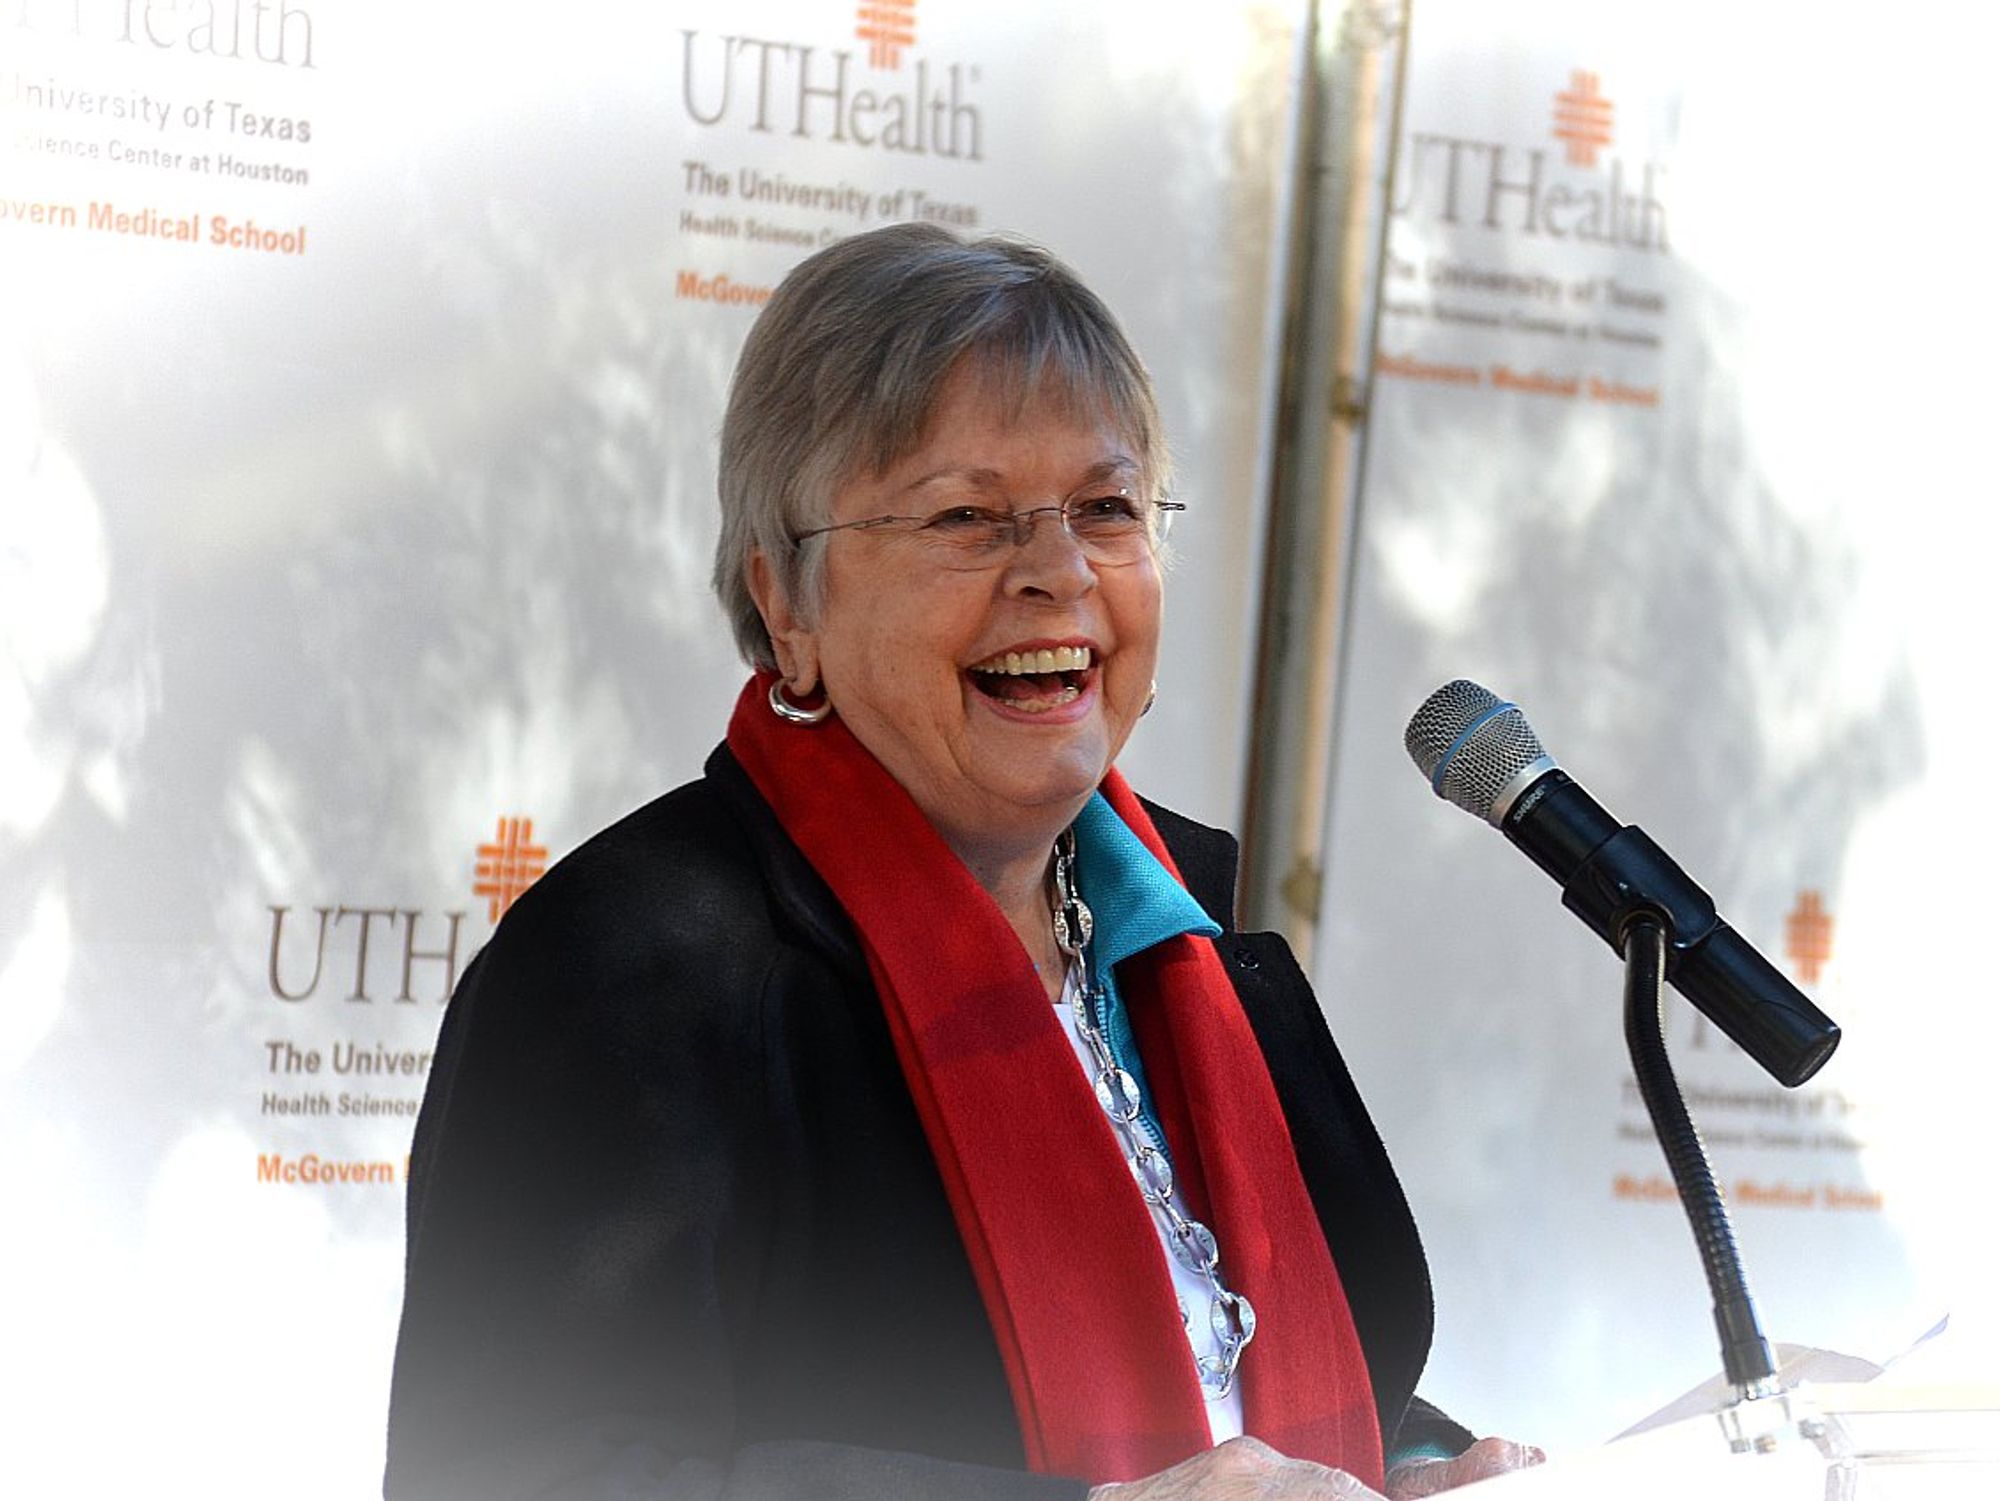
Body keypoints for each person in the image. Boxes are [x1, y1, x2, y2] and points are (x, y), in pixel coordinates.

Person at [384, 223, 1542, 1501]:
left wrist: (1410, 1462)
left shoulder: (1186, 936)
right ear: (786, 605)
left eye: (1105, 509)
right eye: (966, 517)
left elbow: (1233, 1364)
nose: (1057, 572)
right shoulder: (628, 969)